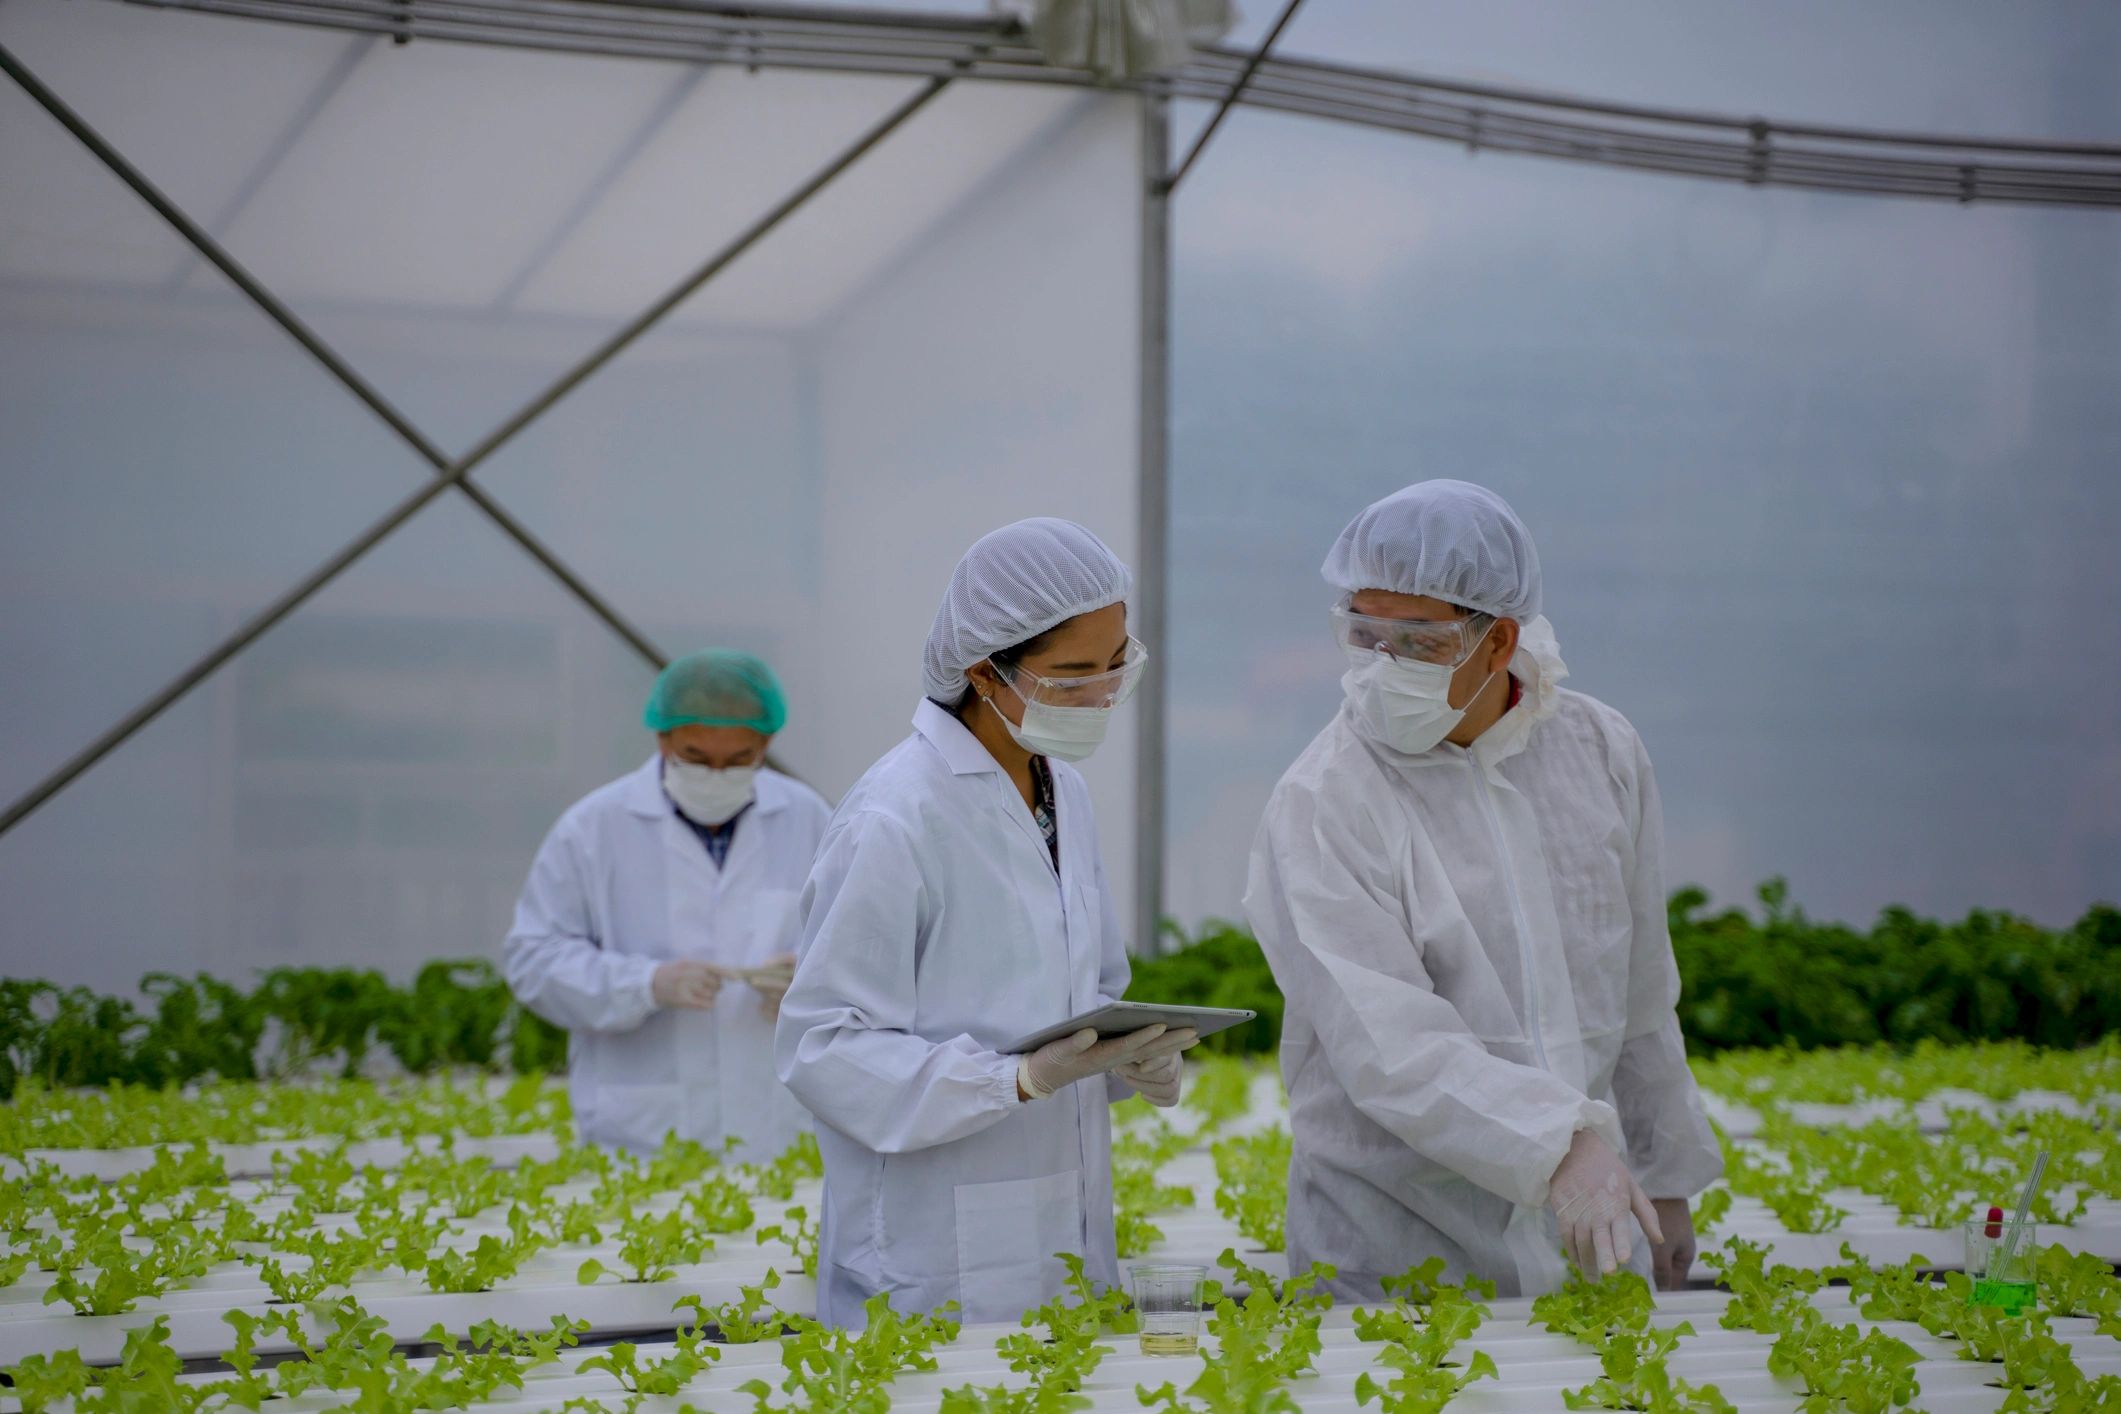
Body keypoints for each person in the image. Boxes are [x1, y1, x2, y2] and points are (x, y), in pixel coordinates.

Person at [1243, 480, 1722, 1302]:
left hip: (1592, 1243)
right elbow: (1393, 1050)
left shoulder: (1600, 752)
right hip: (1398, 1259)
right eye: (1362, 634)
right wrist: (1563, 1149)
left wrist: (1665, 1179)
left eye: (1416, 643)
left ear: (1498, 642)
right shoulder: (1325, 798)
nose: (1379, 667)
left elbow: (1640, 995)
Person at [776, 518, 1197, 1326]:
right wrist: (1011, 1079)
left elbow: (1092, 987)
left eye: (1115, 667)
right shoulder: (895, 816)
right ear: (985, 671)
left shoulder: (1058, 790)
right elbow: (822, 1046)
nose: (1101, 696)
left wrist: (1123, 1058)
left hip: (1061, 1222)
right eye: (1071, 677)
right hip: (932, 1250)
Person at [504, 649, 829, 1161]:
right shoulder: (594, 829)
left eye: (738, 759)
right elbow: (533, 962)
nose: (716, 774)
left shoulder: (808, 818)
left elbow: (861, 945)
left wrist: (812, 980)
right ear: (663, 739)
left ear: (765, 745)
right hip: (641, 1134)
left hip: (779, 1128)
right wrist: (643, 985)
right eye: (696, 758)